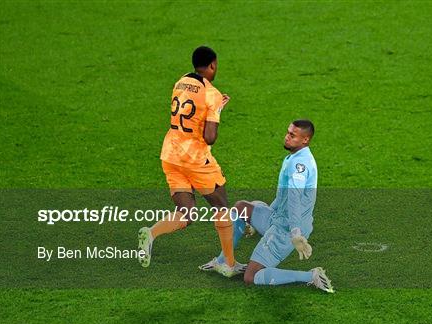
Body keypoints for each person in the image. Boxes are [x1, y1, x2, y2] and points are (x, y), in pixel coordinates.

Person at [138, 46, 245, 277]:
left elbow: (192, 110)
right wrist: (216, 109)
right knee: (222, 207)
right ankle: (229, 263)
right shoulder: (211, 93)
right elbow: (209, 136)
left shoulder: (180, 82)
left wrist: (212, 108)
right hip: (195, 159)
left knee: (187, 212)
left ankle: (151, 233)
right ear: (213, 65)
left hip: (170, 155)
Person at [200, 120, 334, 292]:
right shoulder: (295, 157)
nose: (287, 137)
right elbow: (283, 197)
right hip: (277, 218)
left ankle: (311, 276)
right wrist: (264, 216)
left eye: (292, 136)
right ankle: (225, 261)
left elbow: (294, 198)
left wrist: (295, 233)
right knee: (242, 207)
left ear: (305, 140)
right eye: (288, 132)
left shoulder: (300, 165)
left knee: (251, 276)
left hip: (286, 229)